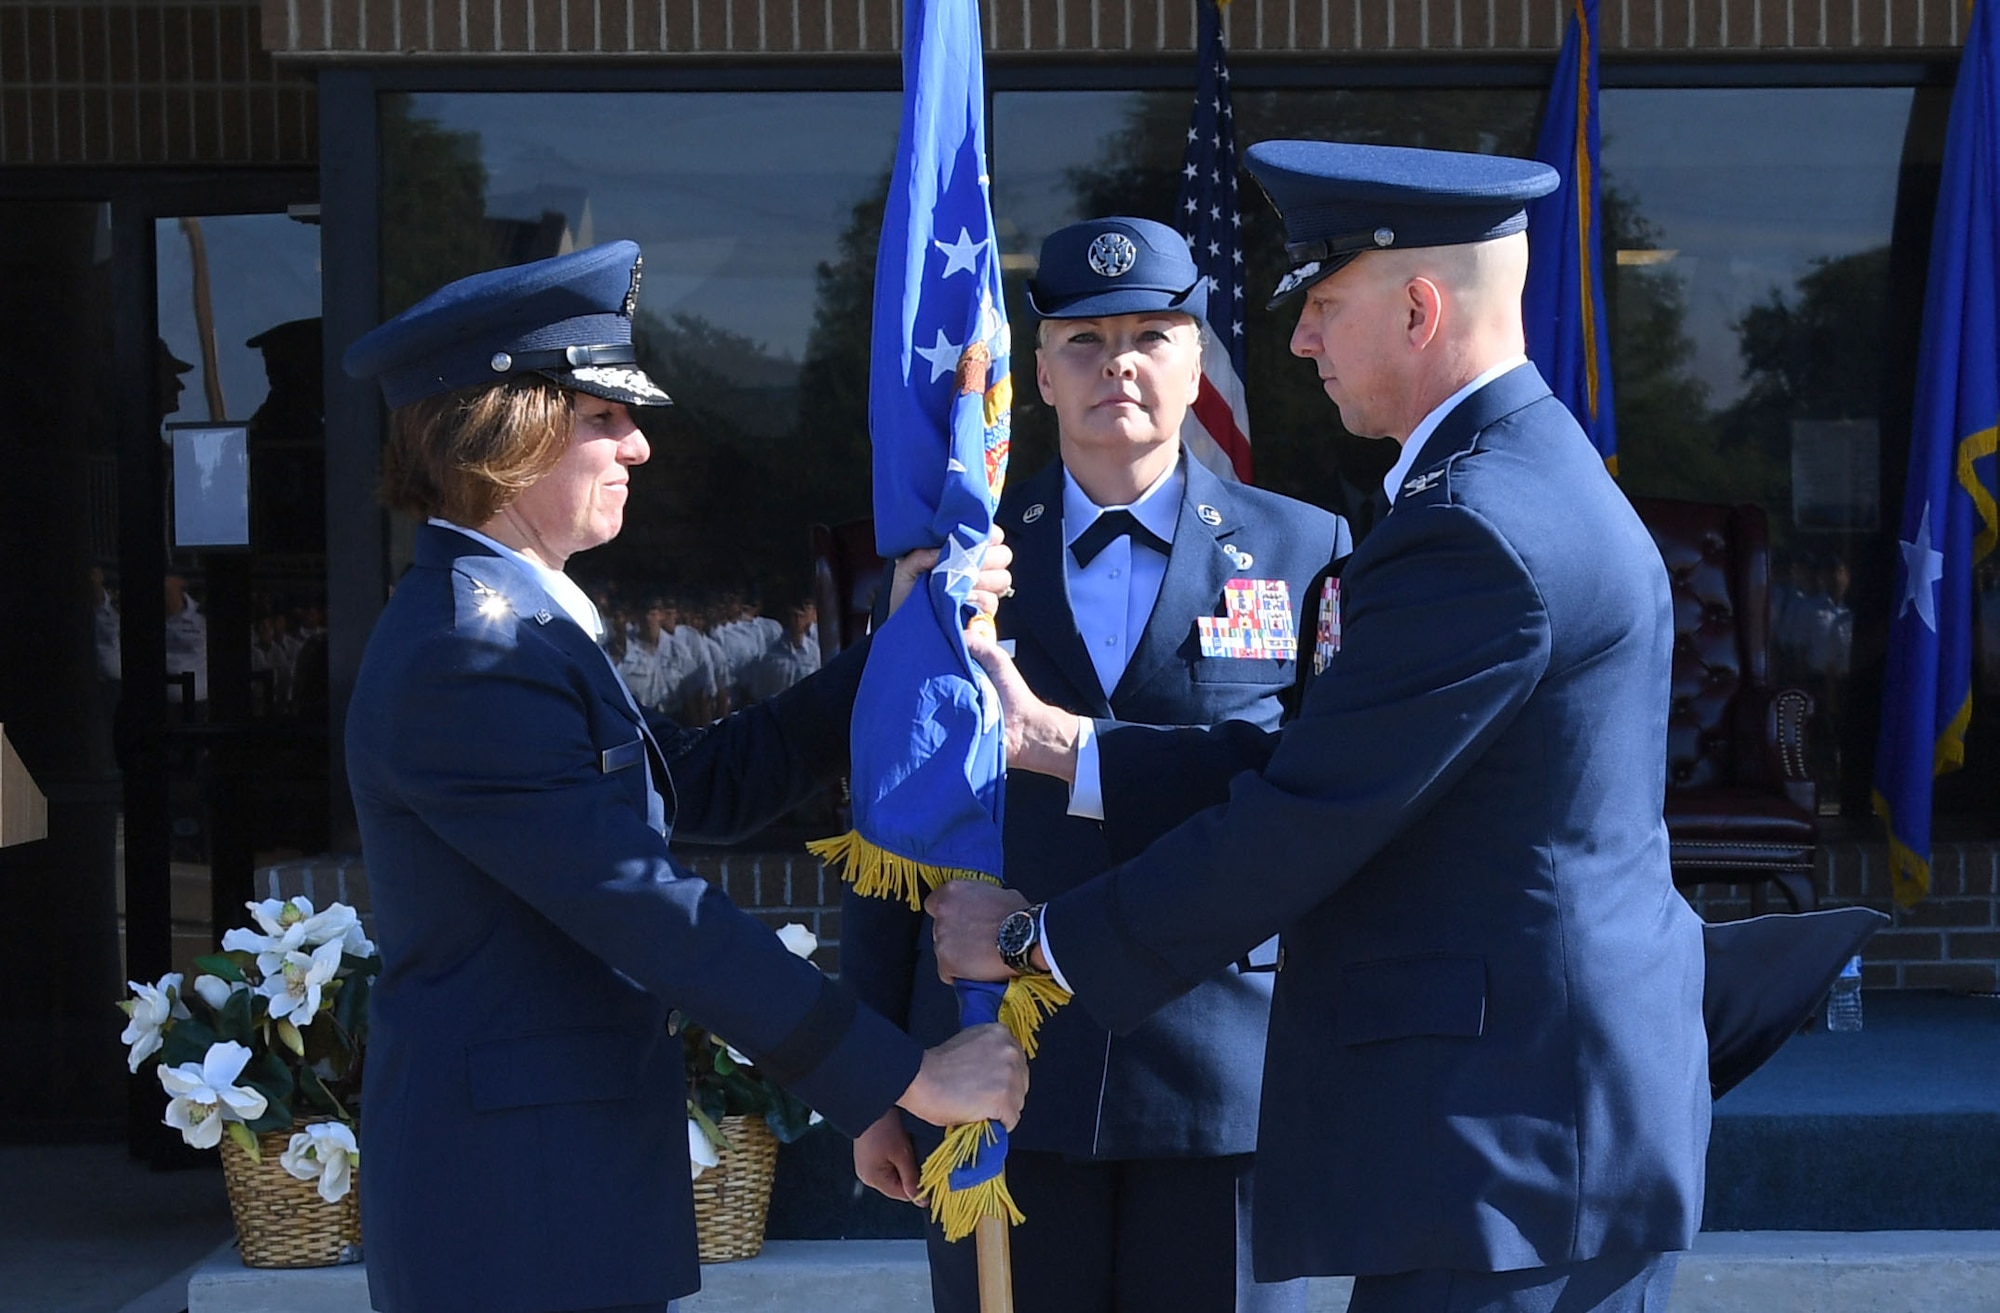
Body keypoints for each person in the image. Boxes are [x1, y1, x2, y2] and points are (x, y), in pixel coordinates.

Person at [928, 143, 1712, 1313]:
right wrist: (1063, 744)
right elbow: (1324, 765)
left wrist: (1034, 942)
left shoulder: (1475, 525)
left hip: (1503, 1138)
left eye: (1323, 305)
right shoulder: (1502, 482)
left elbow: (1309, 815)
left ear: (1416, 306)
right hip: (1512, 1130)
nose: (1297, 342)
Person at [340, 239, 1027, 1313]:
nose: (639, 447)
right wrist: (900, 1074)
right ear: (504, 429)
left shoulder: (520, 624)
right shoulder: (466, 653)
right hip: (513, 1206)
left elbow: (705, 781)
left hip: (556, 1173)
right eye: (603, 417)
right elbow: (643, 906)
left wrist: (901, 644)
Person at [845, 216, 1341, 1313]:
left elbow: (1326, 797)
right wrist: (870, 1076)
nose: (1117, 360)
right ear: (1038, 371)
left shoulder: (1307, 553)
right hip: (997, 1069)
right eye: (1083, 338)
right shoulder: (952, 564)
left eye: (1151, 334)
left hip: (1219, 1066)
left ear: (1196, 359)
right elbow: (888, 812)